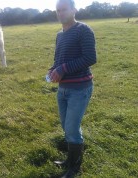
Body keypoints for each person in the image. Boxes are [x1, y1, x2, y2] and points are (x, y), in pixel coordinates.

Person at [47, 0, 97, 177]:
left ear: (74, 10)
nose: (60, 13)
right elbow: (58, 59)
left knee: (72, 128)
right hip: (63, 89)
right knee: (67, 127)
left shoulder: (83, 30)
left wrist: (63, 69)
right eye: (57, 10)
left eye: (63, 10)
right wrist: (53, 69)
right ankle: (70, 160)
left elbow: (90, 58)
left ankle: (74, 169)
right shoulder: (60, 35)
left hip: (80, 88)